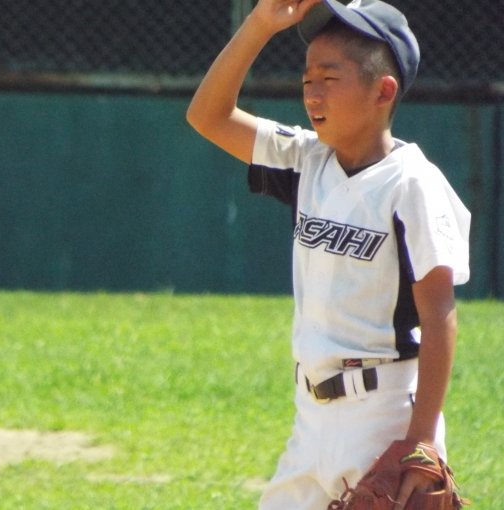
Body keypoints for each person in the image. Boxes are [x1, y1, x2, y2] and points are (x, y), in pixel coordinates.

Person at [186, 0, 471, 509]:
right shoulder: (306, 160)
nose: (312, 93)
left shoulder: (412, 183)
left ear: (383, 91)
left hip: (384, 414)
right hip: (310, 417)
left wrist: (422, 440)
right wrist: (259, 25)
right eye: (307, 80)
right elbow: (208, 116)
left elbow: (438, 314)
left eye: (329, 78)